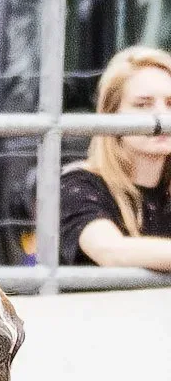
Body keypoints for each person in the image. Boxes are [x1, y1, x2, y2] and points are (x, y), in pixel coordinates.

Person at [60, 45, 171, 269]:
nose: (163, 116)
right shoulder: (78, 184)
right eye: (143, 104)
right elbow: (109, 251)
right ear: (111, 114)